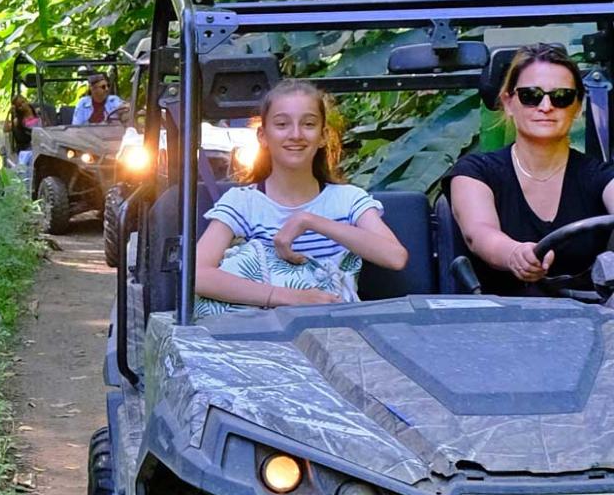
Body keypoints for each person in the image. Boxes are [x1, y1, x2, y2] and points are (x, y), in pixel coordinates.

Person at [193, 80, 408, 314]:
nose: (296, 135)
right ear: (263, 136)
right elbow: (197, 274)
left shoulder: (348, 199)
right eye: (282, 124)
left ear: (323, 136)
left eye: (308, 124)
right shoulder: (242, 203)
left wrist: (309, 221)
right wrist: (289, 297)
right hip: (260, 334)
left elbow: (394, 257)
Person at [447, 43, 614, 295]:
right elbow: (479, 233)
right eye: (531, 95)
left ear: (577, 107)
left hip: (592, 321)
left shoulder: (599, 175)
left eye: (561, 97)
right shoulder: (475, 172)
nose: (545, 106)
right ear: (508, 102)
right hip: (498, 323)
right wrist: (515, 253)